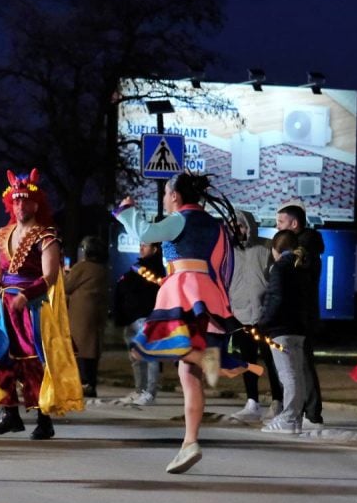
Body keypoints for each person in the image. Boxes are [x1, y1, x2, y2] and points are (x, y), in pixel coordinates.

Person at [113, 171, 252, 473]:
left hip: (183, 292)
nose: (165, 198)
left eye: (166, 193)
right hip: (208, 295)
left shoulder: (180, 219)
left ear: (175, 196)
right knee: (189, 374)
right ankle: (190, 441)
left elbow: (146, 233)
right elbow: (224, 267)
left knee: (170, 357)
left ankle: (191, 437)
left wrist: (127, 211)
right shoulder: (216, 226)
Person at [0, 170, 83, 439]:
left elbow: (50, 276)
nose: (20, 206)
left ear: (36, 205)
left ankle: (43, 419)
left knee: (33, 361)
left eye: (25, 201)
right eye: (16, 201)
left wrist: (26, 295)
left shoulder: (46, 236)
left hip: (32, 309)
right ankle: (10, 415)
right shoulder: (3, 235)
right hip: (4, 308)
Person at [256, 230, 312, 434]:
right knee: (297, 375)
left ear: (276, 249)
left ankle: (288, 418)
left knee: (288, 375)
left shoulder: (279, 268)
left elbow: (275, 297)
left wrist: (263, 322)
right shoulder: (303, 267)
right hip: (298, 328)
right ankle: (295, 418)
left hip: (281, 328)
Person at [275, 202, 323, 425]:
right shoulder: (303, 247)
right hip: (299, 315)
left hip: (301, 315)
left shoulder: (303, 251)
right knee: (296, 365)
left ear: (294, 224)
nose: (277, 227)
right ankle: (303, 411)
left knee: (302, 365)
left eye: (281, 222)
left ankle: (311, 413)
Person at [226, 210, 271, 422]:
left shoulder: (265, 248)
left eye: (241, 226)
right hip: (240, 314)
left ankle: (278, 401)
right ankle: (252, 401)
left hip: (264, 315)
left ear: (249, 227)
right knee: (247, 361)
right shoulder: (228, 253)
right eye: (234, 226)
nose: (238, 230)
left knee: (272, 361)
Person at [111, 242, 164, 406]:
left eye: (145, 246)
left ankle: (150, 392)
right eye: (140, 245)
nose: (141, 248)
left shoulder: (154, 269)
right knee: (135, 357)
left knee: (150, 356)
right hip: (131, 318)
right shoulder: (137, 267)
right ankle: (139, 390)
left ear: (154, 249)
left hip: (146, 318)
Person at [65, 235, 109, 398]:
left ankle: (83, 383)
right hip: (96, 314)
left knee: (79, 349)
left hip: (80, 315)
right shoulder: (102, 269)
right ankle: (90, 383)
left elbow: (66, 286)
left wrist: (64, 274)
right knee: (92, 349)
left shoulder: (82, 267)